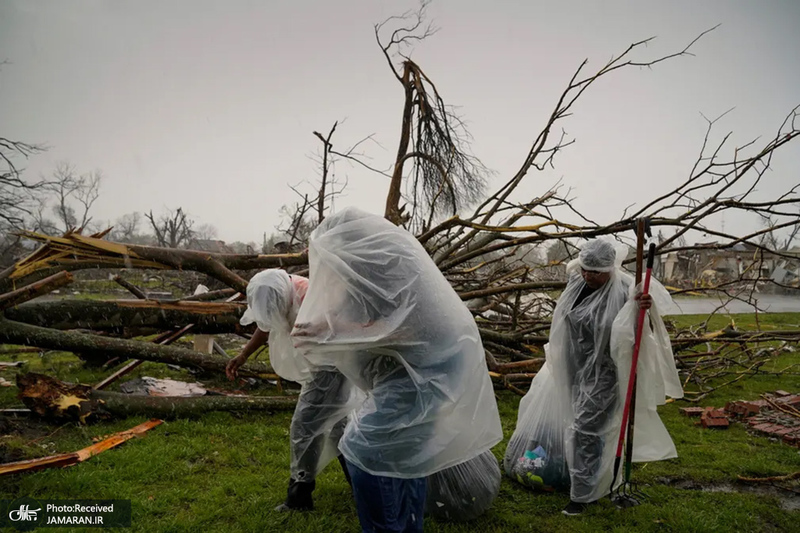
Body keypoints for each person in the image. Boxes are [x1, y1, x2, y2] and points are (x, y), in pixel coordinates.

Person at [291, 207, 503, 533]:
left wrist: (333, 332)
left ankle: (391, 527)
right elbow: (365, 323)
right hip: (415, 369)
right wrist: (323, 332)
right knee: (405, 454)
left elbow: (410, 327)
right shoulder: (361, 272)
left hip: (433, 370)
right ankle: (408, 524)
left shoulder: (391, 268)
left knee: (365, 449)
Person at [226, 269, 357, 512]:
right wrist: (243, 355)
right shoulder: (276, 293)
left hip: (331, 365)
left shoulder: (311, 295)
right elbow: (267, 322)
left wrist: (318, 331)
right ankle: (360, 483)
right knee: (337, 424)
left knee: (304, 426)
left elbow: (341, 328)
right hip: (320, 365)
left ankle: (299, 497)